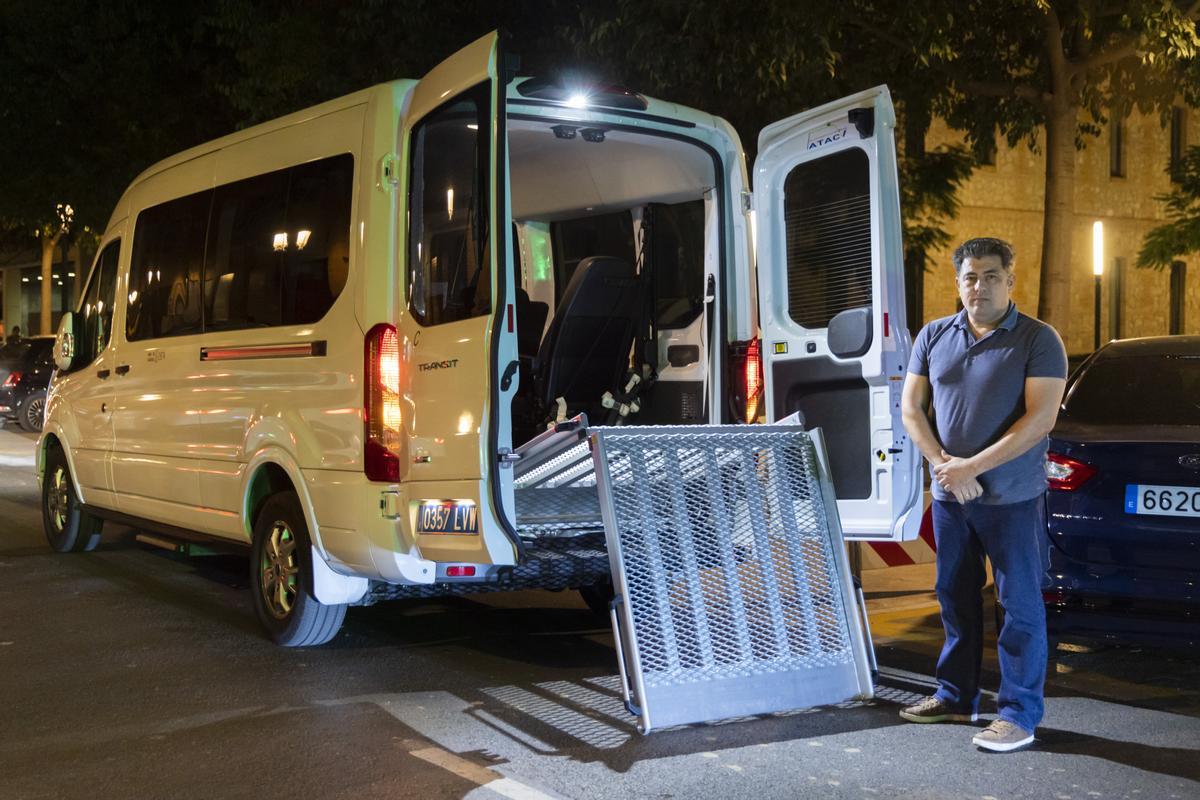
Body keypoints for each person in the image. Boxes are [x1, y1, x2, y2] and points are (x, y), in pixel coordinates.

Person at [898, 237, 1067, 752]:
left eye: (992, 276)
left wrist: (972, 466)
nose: (980, 286)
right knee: (954, 598)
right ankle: (956, 697)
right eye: (971, 277)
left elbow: (1039, 420)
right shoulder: (933, 335)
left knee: (1019, 607)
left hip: (1011, 499)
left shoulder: (1038, 339)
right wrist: (945, 467)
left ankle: (1018, 714)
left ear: (1010, 281)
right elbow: (911, 410)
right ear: (959, 283)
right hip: (951, 500)